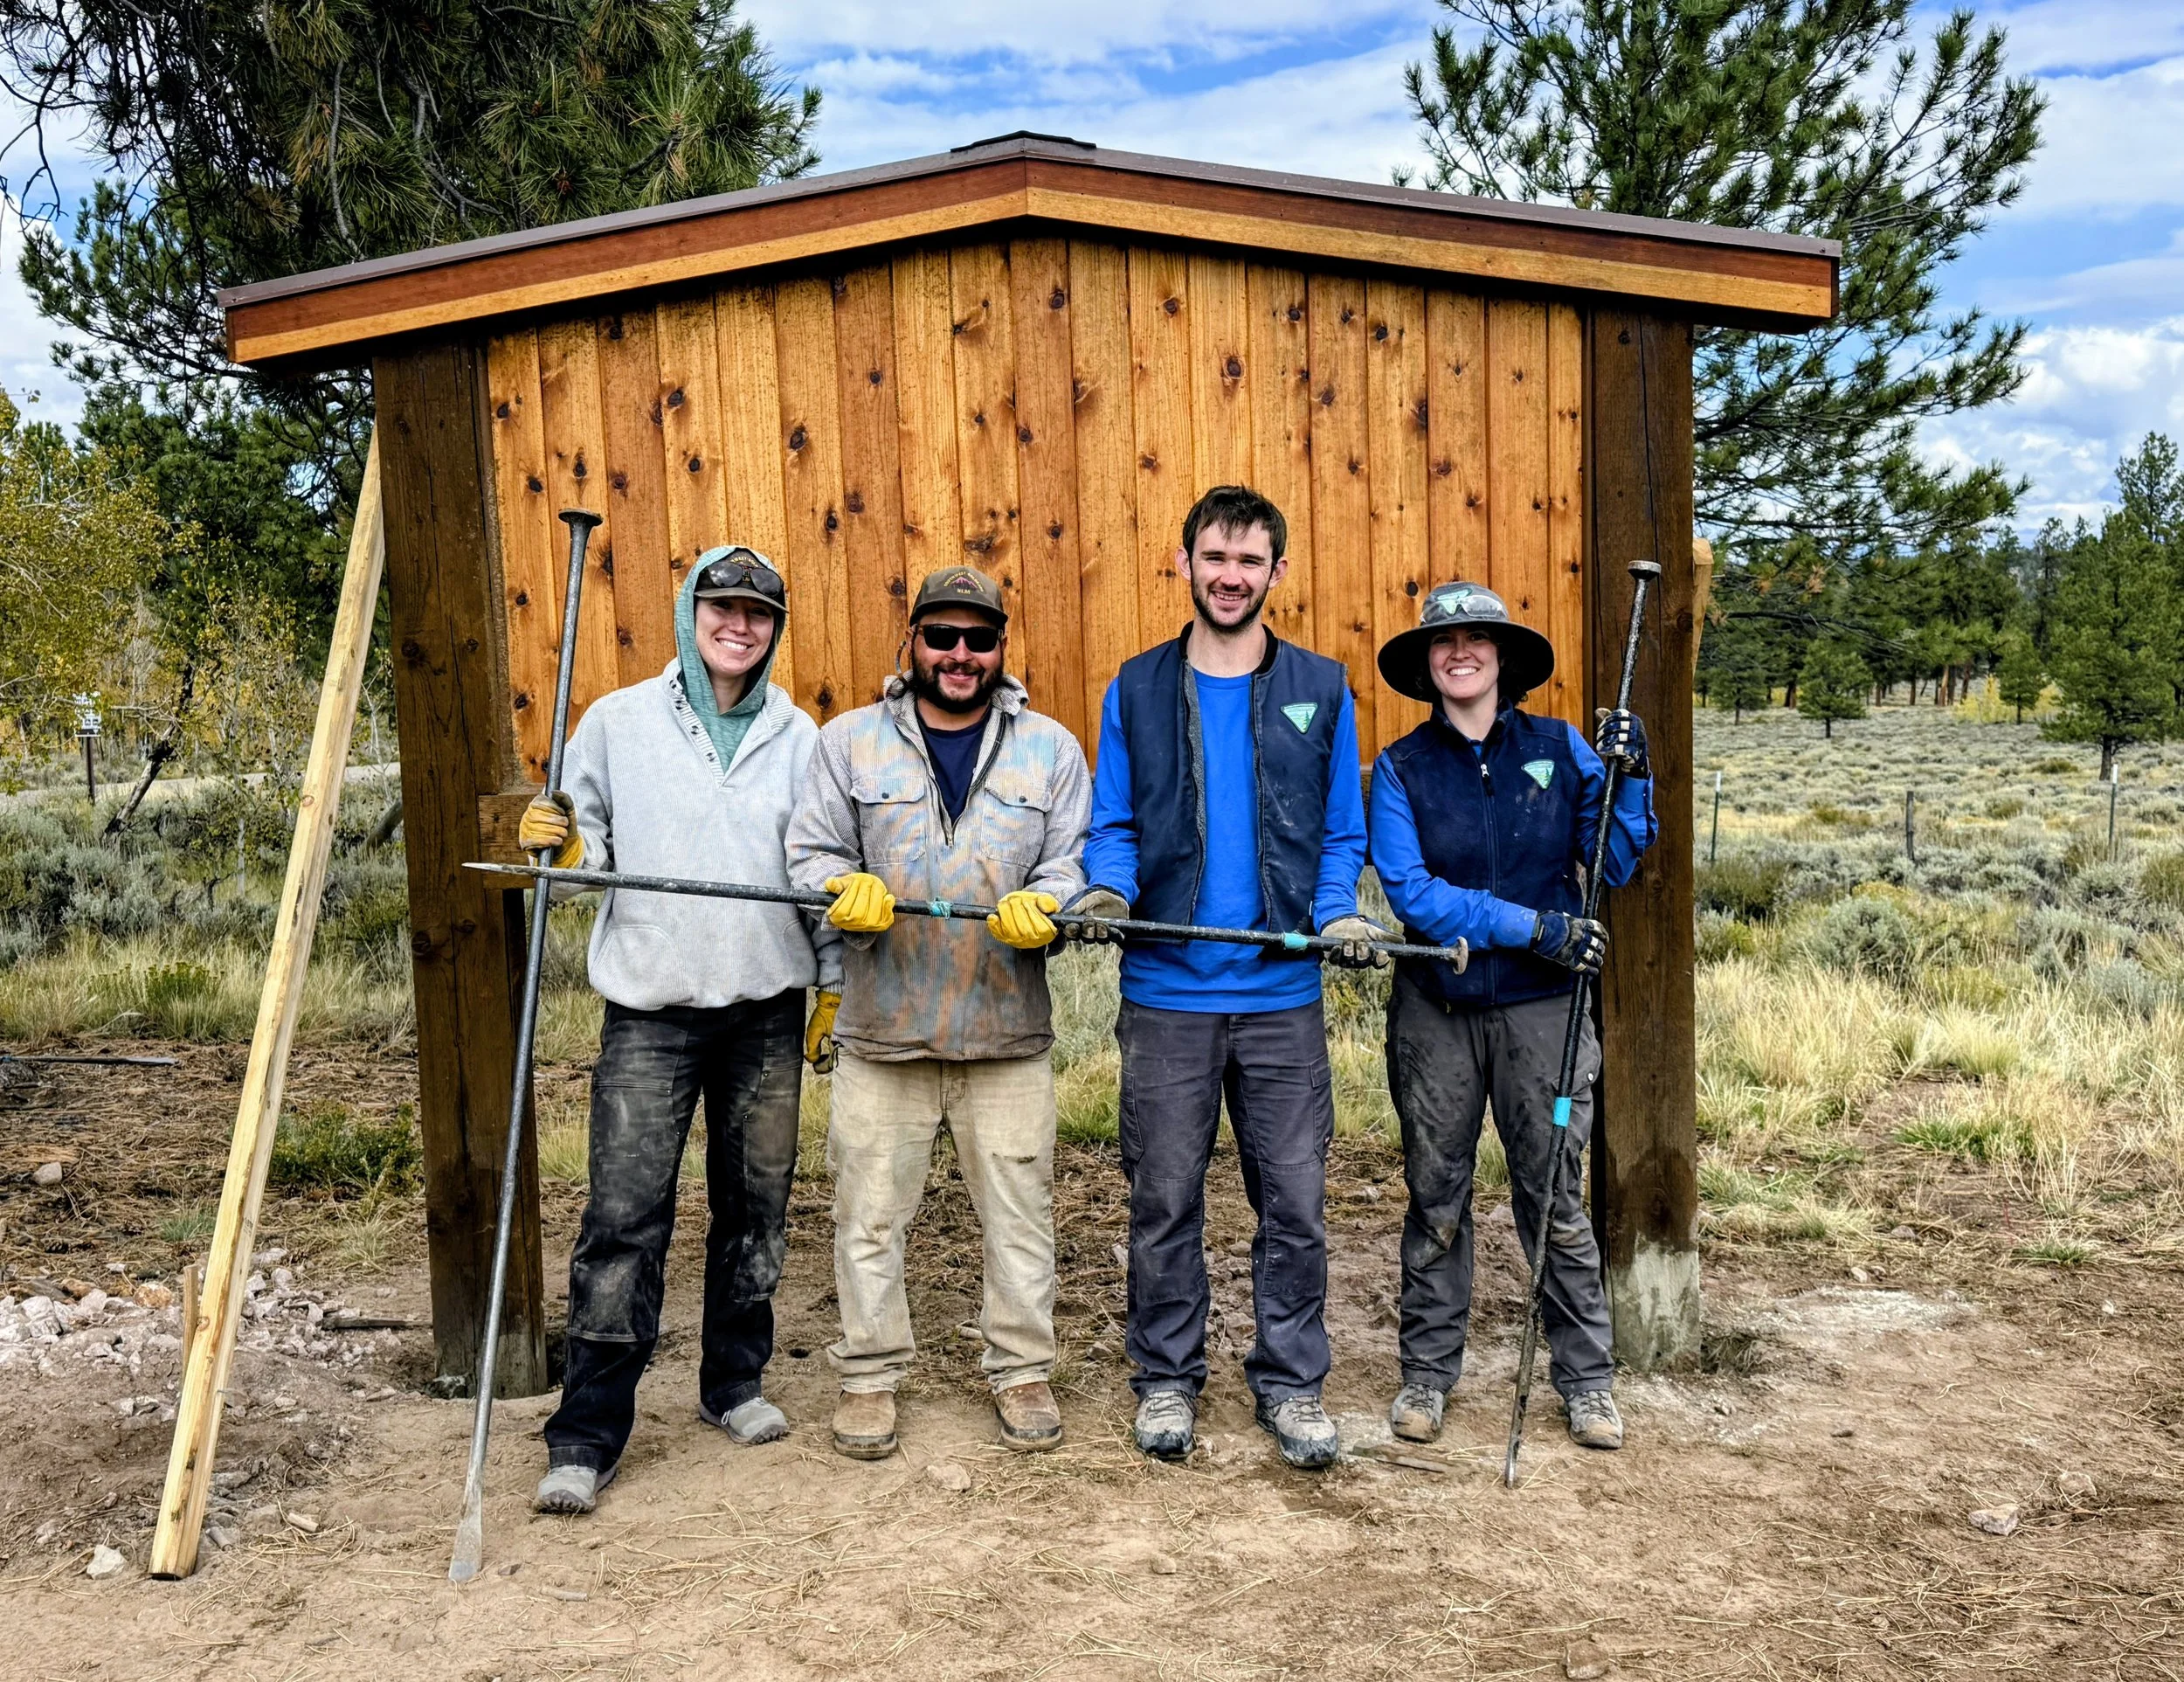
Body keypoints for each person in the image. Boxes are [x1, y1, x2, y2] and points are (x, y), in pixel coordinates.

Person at [520, 546, 841, 1517]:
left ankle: (732, 1382)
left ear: (775, 627)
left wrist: (828, 985)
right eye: (721, 606)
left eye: (756, 612)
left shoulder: (802, 737)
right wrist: (565, 845)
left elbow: (822, 872)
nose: (737, 624)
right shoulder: (617, 722)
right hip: (649, 1012)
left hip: (764, 1010)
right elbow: (586, 861)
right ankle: (587, 1429)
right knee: (622, 1220)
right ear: (688, 612)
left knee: (756, 1212)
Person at [1072, 484, 1383, 1471]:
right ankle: (1166, 1378)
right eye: (1214, 556)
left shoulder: (1322, 686)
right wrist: (1109, 892)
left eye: (1250, 560)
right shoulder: (1136, 686)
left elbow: (1341, 830)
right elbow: (1113, 822)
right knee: (1163, 1198)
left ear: (1277, 573)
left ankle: (1291, 1384)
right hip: (1166, 994)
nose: (1230, 575)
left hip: (1282, 998)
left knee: (1292, 1202)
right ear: (1184, 562)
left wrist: (1335, 909)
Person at [785, 564, 1091, 1461]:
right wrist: (841, 887)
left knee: (1021, 1212)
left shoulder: (1051, 749)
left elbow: (1072, 861)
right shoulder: (849, 744)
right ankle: (869, 1376)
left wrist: (1052, 904)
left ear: (1001, 647)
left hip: (1006, 1032)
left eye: (979, 638)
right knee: (868, 1216)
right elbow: (808, 853)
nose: (960, 654)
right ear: (910, 642)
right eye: (942, 636)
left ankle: (1022, 1368)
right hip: (883, 1027)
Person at [1366, 580, 1656, 1453]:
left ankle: (1587, 1378)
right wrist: (1534, 926)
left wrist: (1632, 778)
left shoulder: (1561, 748)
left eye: (1476, 639)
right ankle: (1426, 1372)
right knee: (1437, 1194)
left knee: (1552, 1193)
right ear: (1426, 662)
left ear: (1502, 656)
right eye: (1443, 641)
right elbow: (1412, 895)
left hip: (1543, 1019)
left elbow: (1610, 859)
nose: (1460, 652)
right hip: (1436, 1014)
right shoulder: (1399, 769)